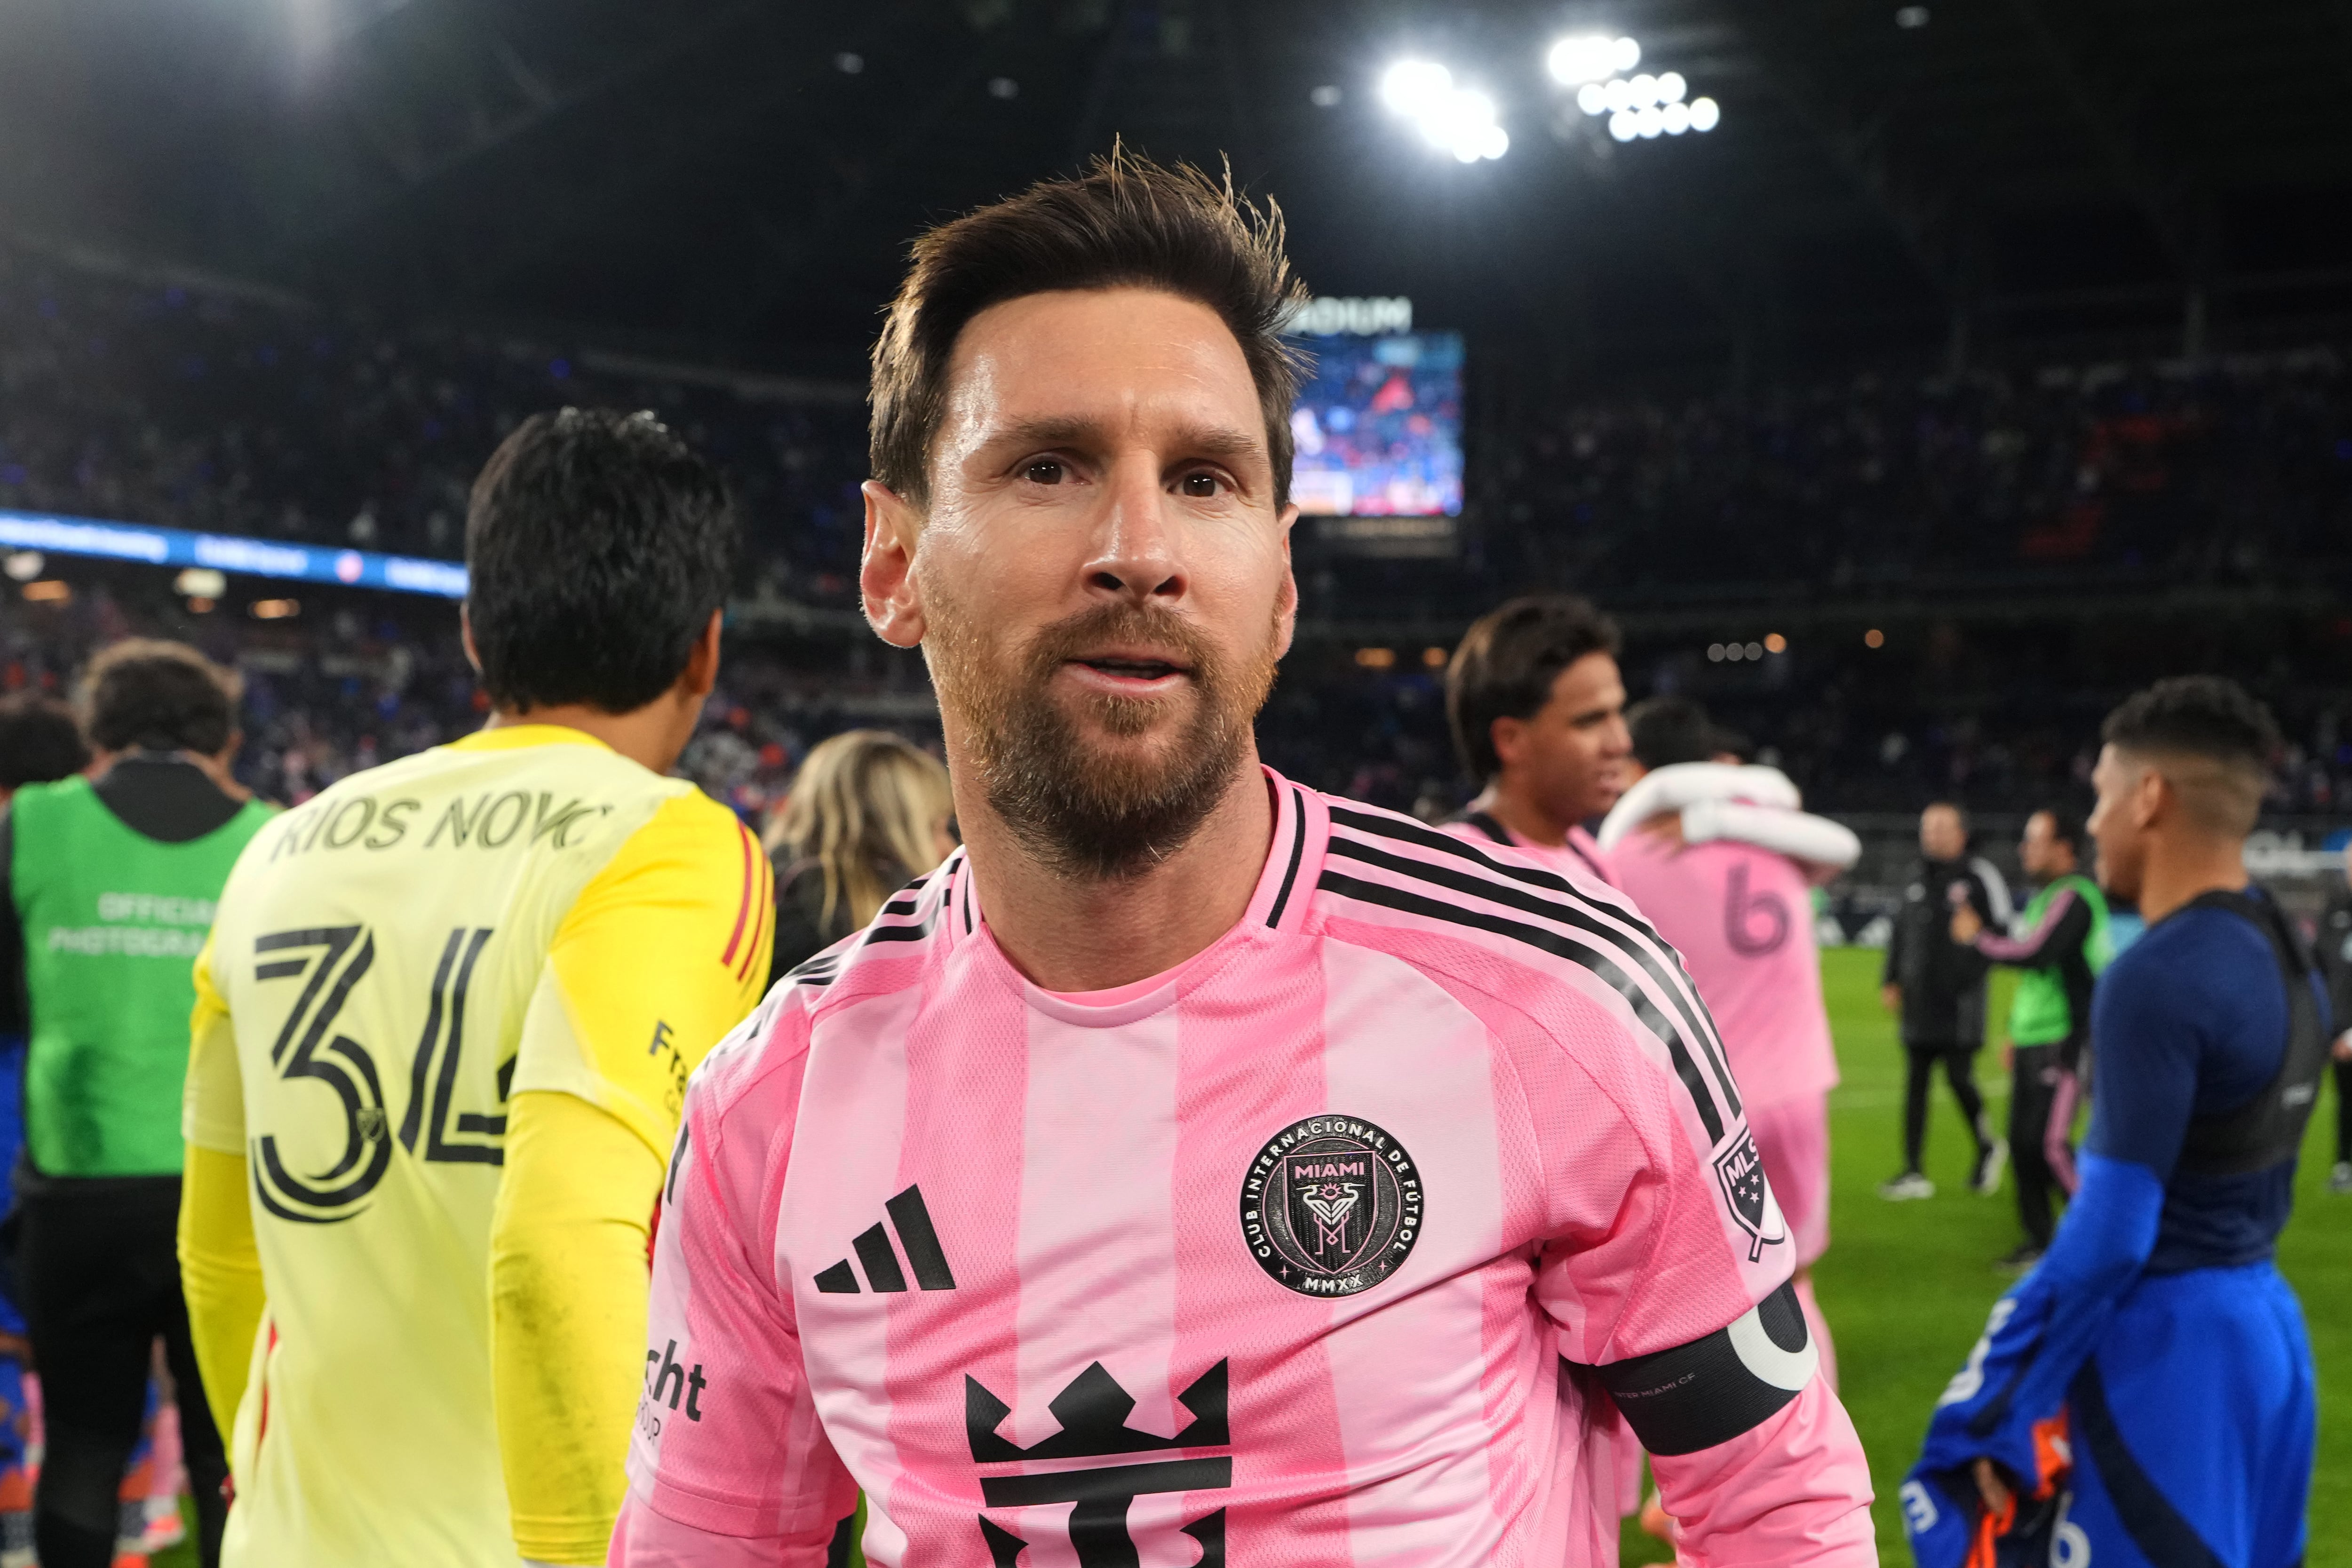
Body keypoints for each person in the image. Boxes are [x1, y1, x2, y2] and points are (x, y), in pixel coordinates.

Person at [610, 152, 1873, 1566]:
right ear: (892, 559)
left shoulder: (1559, 995)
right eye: (1047, 465)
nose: (1137, 548)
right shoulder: (766, 1111)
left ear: (1276, 583)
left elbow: (1772, 1502)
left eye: (1202, 479)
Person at [178, 409, 772, 1567]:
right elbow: (561, 1243)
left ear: (470, 635)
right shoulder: (671, 845)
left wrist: (272, 1486)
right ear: (705, 650)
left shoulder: (278, 851)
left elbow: (216, 1255)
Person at [1905, 676, 2322, 1568]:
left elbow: (2112, 1229)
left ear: (2149, 796)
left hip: (2172, 1352)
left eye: (2099, 794)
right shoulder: (2289, 950)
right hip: (2272, 1341)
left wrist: (1994, 1400)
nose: (2092, 822)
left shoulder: (2158, 973)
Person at [2, 643, 273, 1568]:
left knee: (81, 1442)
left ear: (99, 733)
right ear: (225, 738)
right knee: (224, 1452)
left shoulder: (33, 822)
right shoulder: (274, 836)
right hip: (233, 1195)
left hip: (78, 1189)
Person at [1600, 696, 1862, 1392]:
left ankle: (1683, 1490)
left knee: (1690, 1297)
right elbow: (1834, 853)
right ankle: (1817, 1476)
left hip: (1700, 1107)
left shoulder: (1620, 856)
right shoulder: (1780, 835)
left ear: (1637, 765)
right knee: (1797, 1281)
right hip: (1800, 1089)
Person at [1950, 804, 2112, 1268]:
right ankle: (2040, 1241)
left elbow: (2035, 954)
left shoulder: (2076, 896)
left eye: (2034, 840)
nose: (2024, 849)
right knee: (2022, 1143)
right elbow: (2037, 977)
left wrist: (1977, 938)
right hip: (2032, 1038)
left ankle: (2102, 1234)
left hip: (2064, 1039)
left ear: (2063, 849)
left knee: (2049, 1144)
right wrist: (2013, 1032)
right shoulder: (2045, 898)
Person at [1440, 593, 1629, 887]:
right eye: (1589, 721)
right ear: (1511, 740)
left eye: (1618, 714)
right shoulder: (1453, 868)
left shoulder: (1589, 855)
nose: (1621, 743)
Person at [1879, 800, 2010, 1200]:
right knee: (1915, 1083)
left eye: (1941, 827)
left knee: (1959, 1078)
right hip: (1918, 1002)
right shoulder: (1915, 876)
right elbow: (1900, 931)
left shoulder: (1978, 876)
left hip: (1960, 1004)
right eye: (1928, 828)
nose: (1932, 835)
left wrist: (1970, 967)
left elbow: (2001, 931)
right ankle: (1913, 1170)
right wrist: (1892, 978)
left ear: (1961, 833)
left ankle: (1988, 1145)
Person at [764, 729, 955, 984]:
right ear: (894, 835)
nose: (950, 848)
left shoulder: (764, 897)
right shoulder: (907, 927)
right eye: (934, 828)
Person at [2318, 842, 2352, 1194]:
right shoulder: (2336, 908)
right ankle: (2345, 1165)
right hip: (2338, 1029)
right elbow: (2321, 966)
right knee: (2345, 1099)